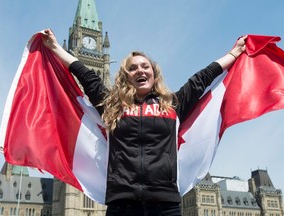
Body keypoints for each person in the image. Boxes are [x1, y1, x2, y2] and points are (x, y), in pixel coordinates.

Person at [42, 29, 246, 216]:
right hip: (122, 205)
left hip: (165, 205)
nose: (140, 70)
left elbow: (201, 79)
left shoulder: (172, 104)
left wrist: (234, 54)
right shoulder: (113, 107)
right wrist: (55, 47)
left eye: (145, 66)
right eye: (133, 68)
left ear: (153, 73)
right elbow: (86, 76)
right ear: (125, 77)